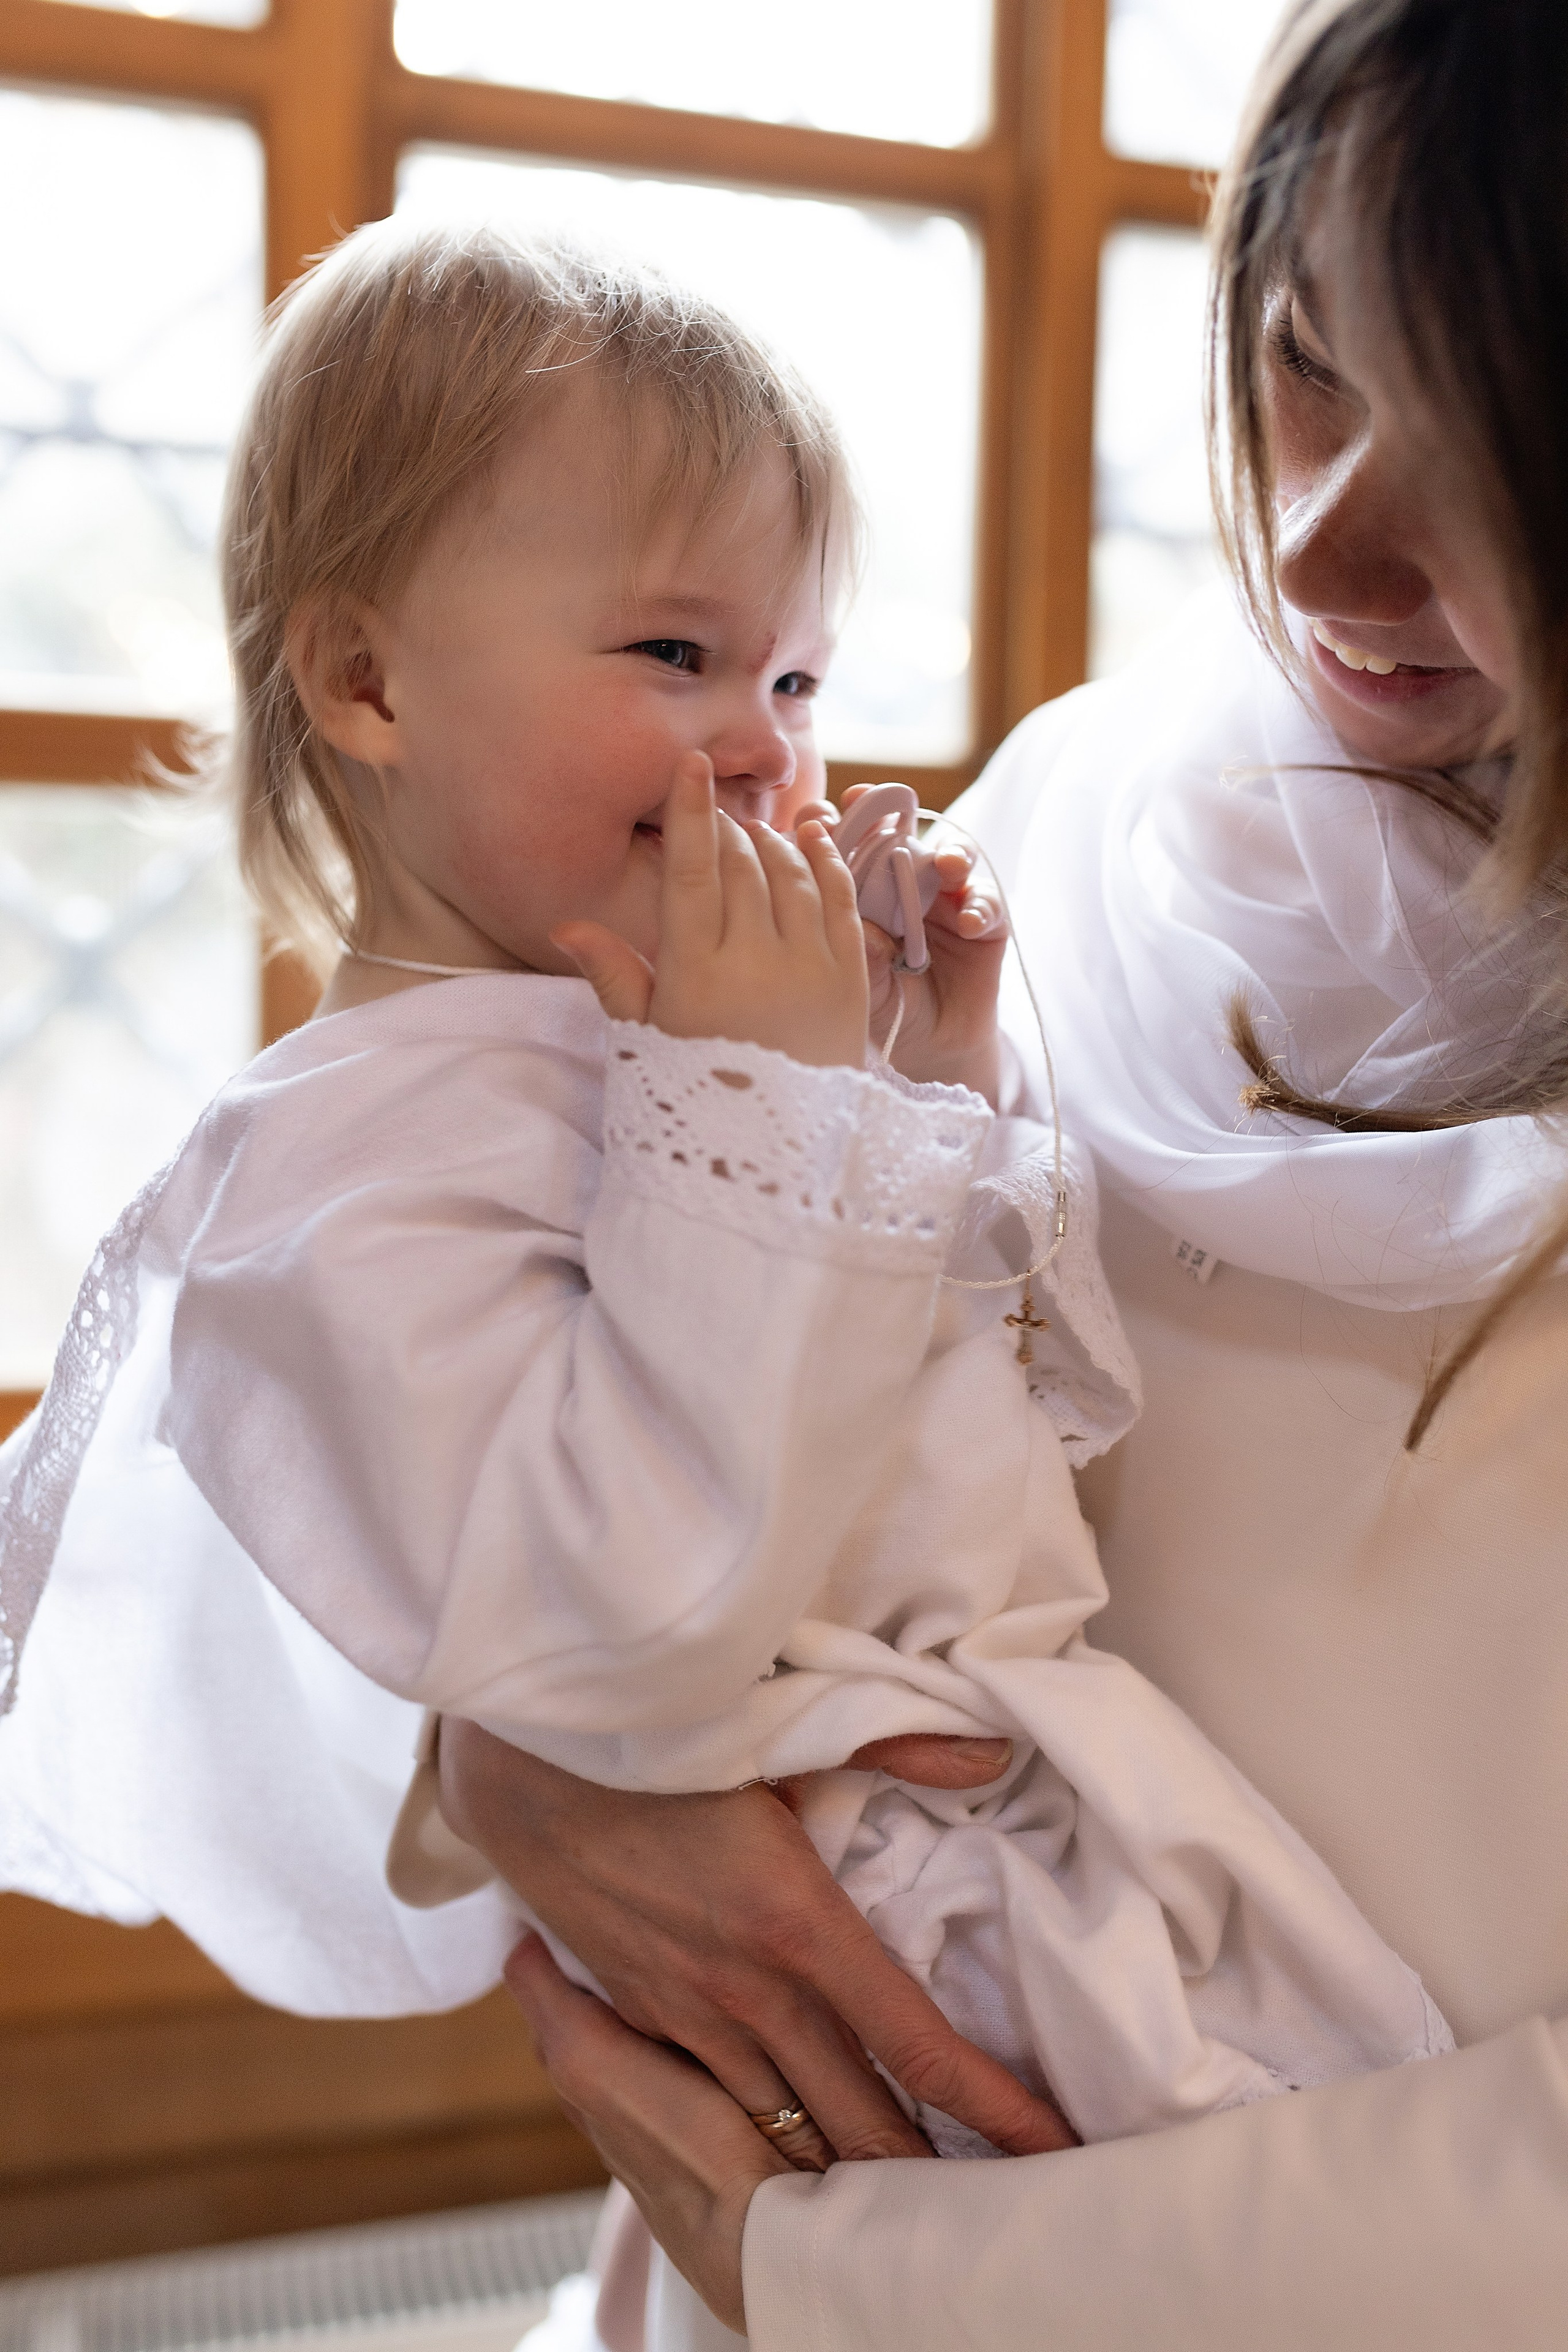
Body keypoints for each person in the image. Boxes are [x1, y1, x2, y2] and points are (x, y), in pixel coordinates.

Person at [0, 205, 1449, 2266]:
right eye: (676, 656)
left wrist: (925, 1078)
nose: (768, 743)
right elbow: (630, 1625)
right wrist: (764, 1114)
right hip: (906, 1924)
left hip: (1039, 1831)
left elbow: (1007, 1415)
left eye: (795, 671)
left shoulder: (644, 1056)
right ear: (362, 675)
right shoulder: (327, 1179)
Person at [428, 1, 1568, 2343]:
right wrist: (519, 1750)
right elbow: (668, 1380)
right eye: (1306, 365)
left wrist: (863, 2278)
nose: (1338, 547)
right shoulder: (1096, 811)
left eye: (1508, 451)